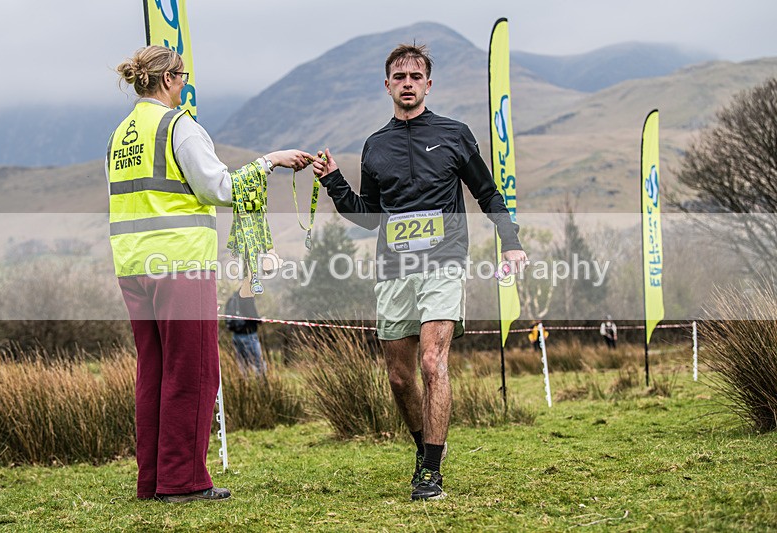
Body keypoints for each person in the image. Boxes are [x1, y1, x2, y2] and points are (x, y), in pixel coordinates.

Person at [312, 44, 527, 501]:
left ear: (428, 84)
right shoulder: (375, 146)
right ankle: (426, 448)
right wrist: (333, 181)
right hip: (394, 269)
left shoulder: (454, 134)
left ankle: (430, 472)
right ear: (386, 84)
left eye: (415, 76)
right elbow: (369, 215)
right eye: (399, 76)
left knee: (433, 362)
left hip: (444, 263)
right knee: (399, 377)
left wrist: (510, 241)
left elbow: (489, 194)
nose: (407, 83)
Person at [108, 45, 313, 503]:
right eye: (181, 77)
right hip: (179, 264)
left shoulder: (120, 135)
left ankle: (154, 481)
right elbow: (220, 187)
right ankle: (182, 482)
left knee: (154, 372)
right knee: (195, 371)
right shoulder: (179, 127)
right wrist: (271, 160)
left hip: (132, 265)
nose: (185, 84)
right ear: (166, 80)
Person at [225, 289, 266, 375]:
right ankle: (262, 386)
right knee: (259, 365)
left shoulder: (233, 297)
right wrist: (260, 320)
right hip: (249, 335)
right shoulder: (247, 296)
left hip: (236, 336)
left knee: (243, 366)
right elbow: (252, 314)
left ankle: (244, 385)